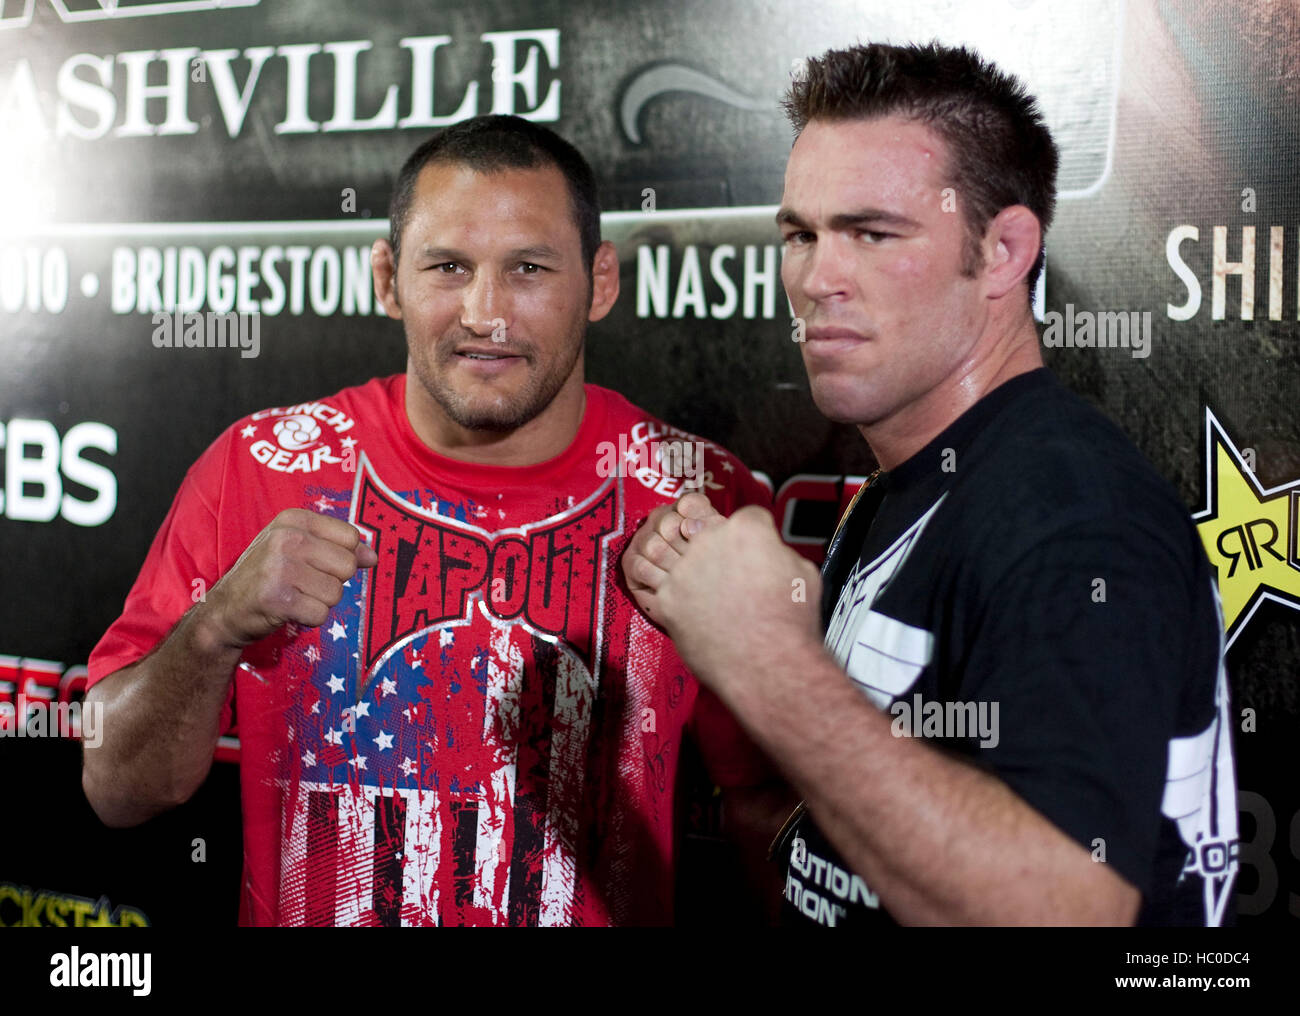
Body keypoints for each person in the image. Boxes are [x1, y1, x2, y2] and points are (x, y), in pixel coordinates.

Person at [82, 114, 774, 927]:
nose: (486, 313)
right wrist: (213, 628)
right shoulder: (261, 468)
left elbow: (769, 808)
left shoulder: (701, 498)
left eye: (529, 268)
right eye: (448, 265)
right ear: (387, 279)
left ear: (602, 281)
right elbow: (119, 792)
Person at [622, 42, 1238, 927]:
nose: (817, 280)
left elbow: (1067, 907)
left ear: (1002, 251)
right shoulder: (909, 484)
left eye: (872, 233)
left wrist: (766, 657)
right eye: (801, 235)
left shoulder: (1072, 515)